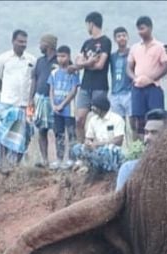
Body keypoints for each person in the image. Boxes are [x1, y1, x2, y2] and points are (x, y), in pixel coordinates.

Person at [0, 29, 36, 164]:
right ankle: (4, 162)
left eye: (25, 42)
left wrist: (30, 99)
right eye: (20, 41)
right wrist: (5, 92)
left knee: (28, 131)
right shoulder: (2, 59)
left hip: (27, 104)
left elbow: (34, 79)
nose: (23, 44)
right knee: (5, 133)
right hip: (7, 103)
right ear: (13, 41)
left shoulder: (32, 60)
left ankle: (16, 163)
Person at [127, 17, 167, 137]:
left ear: (150, 28)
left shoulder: (161, 46)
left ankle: (157, 146)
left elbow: (165, 68)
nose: (140, 32)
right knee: (139, 120)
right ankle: (140, 149)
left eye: (143, 28)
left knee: (156, 118)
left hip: (153, 88)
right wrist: (135, 78)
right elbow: (128, 68)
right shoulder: (135, 47)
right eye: (138, 29)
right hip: (137, 88)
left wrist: (150, 79)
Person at [74, 11, 111, 141]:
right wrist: (88, 62)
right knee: (79, 119)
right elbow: (77, 62)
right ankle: (81, 149)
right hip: (85, 86)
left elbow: (100, 65)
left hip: (99, 86)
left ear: (91, 24)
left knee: (98, 118)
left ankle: (98, 148)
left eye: (87, 25)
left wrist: (84, 64)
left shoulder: (106, 41)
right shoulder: (86, 43)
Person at [115, 108, 167, 189]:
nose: (147, 137)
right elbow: (119, 200)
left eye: (154, 132)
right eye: (146, 132)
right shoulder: (129, 169)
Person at [70, 90, 124, 173]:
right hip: (96, 148)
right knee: (76, 148)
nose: (92, 109)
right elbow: (88, 138)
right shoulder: (93, 120)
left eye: (94, 107)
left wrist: (99, 144)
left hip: (110, 149)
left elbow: (118, 141)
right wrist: (88, 144)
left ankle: (107, 172)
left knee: (108, 151)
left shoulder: (117, 119)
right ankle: (85, 165)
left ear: (101, 107)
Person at [48, 46, 79, 169]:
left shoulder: (73, 72)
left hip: (68, 109)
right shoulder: (54, 72)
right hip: (56, 110)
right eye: (59, 56)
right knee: (58, 134)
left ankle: (72, 159)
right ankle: (59, 159)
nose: (60, 59)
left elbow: (74, 90)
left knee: (71, 133)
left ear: (69, 56)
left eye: (63, 56)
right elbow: (51, 90)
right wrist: (53, 105)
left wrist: (62, 104)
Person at [31, 34, 58, 168]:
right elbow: (34, 79)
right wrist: (31, 98)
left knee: (56, 129)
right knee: (42, 130)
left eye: (41, 43)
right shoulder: (40, 61)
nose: (39, 45)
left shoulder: (60, 59)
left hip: (55, 100)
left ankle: (58, 160)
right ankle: (45, 160)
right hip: (40, 98)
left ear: (48, 44)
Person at [109, 27, 132, 125]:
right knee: (119, 123)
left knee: (133, 122)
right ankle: (122, 141)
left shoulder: (132, 53)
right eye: (119, 36)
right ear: (115, 39)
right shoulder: (112, 56)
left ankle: (135, 141)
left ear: (127, 37)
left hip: (129, 92)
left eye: (124, 35)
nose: (121, 38)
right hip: (115, 94)